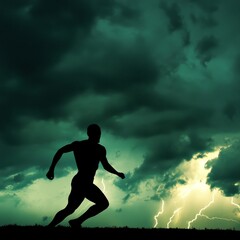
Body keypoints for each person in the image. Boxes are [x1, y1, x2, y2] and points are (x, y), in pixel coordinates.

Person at [46, 123, 125, 228]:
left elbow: (106, 165)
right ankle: (56, 225)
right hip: (80, 182)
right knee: (71, 208)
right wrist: (51, 169)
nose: (98, 136)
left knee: (98, 204)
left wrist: (117, 173)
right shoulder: (79, 145)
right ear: (90, 134)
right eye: (96, 134)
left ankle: (75, 222)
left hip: (86, 183)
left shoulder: (100, 149)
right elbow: (61, 150)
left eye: (99, 134)